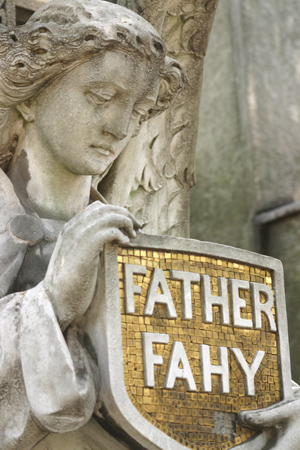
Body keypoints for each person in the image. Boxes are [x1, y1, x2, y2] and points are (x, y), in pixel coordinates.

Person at [0, 1, 187, 448]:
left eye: (139, 113)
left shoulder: (135, 242)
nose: (121, 127)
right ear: (29, 93)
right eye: (101, 98)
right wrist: (53, 302)